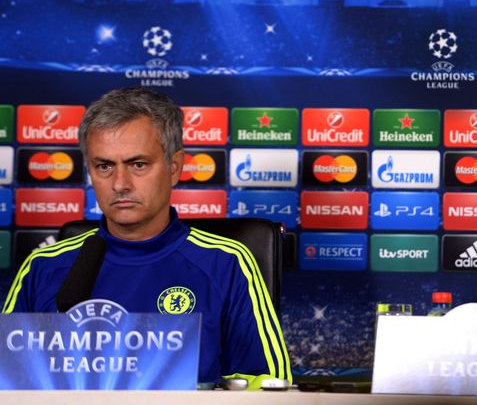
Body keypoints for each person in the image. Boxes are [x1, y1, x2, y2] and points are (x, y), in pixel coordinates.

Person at [2, 86, 291, 389]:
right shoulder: (44, 266)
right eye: (104, 166)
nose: (120, 184)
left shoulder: (227, 263)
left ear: (175, 167)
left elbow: (269, 386)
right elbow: (6, 380)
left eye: (138, 164)